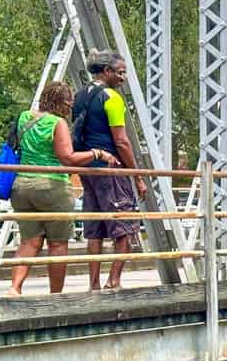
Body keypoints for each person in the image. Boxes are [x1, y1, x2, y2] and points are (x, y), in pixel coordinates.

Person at [9, 82, 120, 296]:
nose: (70, 108)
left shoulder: (24, 117)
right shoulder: (57, 123)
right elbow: (68, 158)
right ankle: (56, 295)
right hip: (52, 186)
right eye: (68, 104)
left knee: (29, 241)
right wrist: (97, 153)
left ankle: (15, 287)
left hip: (21, 186)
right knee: (58, 244)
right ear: (61, 103)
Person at [72, 50, 146, 290]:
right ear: (107, 71)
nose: (123, 78)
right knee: (124, 225)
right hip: (110, 168)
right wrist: (137, 177)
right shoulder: (112, 97)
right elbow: (122, 141)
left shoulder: (79, 95)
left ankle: (93, 284)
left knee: (95, 230)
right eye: (121, 72)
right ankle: (114, 281)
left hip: (87, 169)